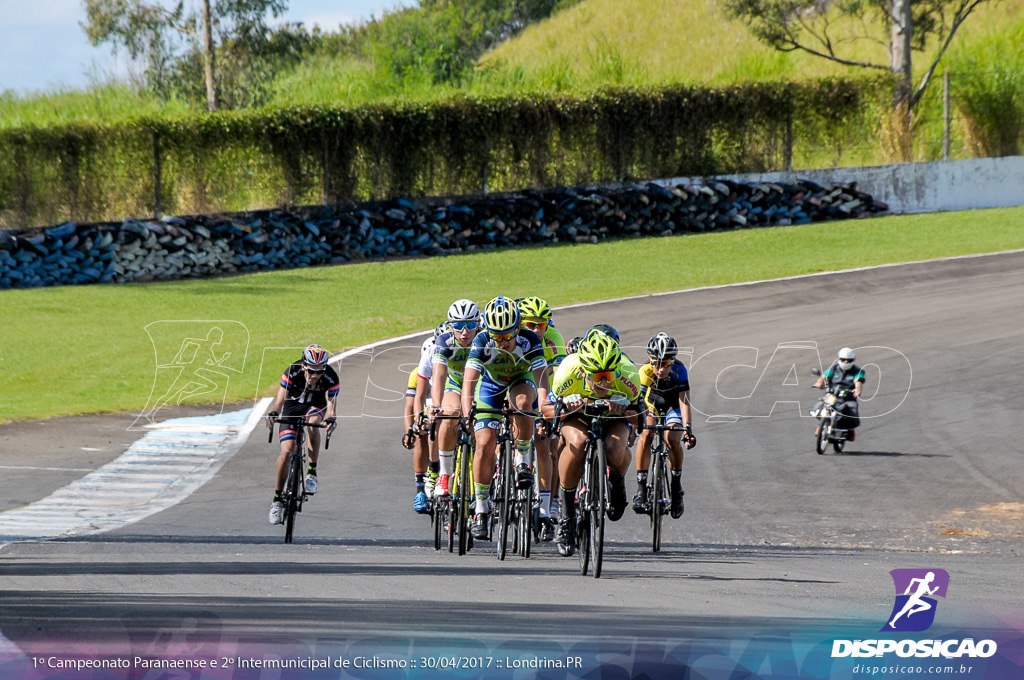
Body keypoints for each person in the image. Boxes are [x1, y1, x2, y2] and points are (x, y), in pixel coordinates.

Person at [542, 332, 640, 557]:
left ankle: (617, 480)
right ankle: (567, 514)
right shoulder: (568, 371)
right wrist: (568, 408)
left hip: (614, 417)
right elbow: (546, 412)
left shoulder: (628, 374)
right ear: (583, 371)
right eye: (596, 377)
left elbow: (639, 417)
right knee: (577, 441)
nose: (604, 383)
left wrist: (624, 410)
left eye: (608, 376)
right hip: (578, 416)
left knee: (614, 447)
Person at [461, 295, 549, 541]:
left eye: (508, 336)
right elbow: (469, 381)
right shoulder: (481, 340)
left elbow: (542, 377)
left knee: (523, 404)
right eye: (497, 337)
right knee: (485, 443)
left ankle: (522, 459)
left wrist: (543, 406)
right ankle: (481, 509)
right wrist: (467, 411)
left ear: (518, 328)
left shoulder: (529, 339)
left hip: (521, 382)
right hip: (491, 387)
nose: (503, 342)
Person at [266, 344, 339, 525]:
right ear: (304, 366)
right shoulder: (292, 371)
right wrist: (274, 412)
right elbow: (280, 399)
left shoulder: (331, 376)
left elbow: (331, 404)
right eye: (311, 371)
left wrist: (331, 418)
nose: (315, 376)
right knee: (287, 451)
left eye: (319, 372)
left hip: (314, 406)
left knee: (314, 423)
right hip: (292, 409)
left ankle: (312, 473)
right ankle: (277, 499)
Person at [518, 296, 567, 541]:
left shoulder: (554, 338)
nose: (536, 330)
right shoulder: (512, 337)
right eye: (530, 325)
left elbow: (560, 375)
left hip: (543, 387)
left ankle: (547, 508)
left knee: (545, 444)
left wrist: (556, 403)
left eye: (541, 324)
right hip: (516, 384)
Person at [633, 332, 696, 519]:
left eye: (666, 364)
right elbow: (639, 403)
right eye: (656, 363)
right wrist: (639, 424)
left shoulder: (680, 370)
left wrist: (688, 429)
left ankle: (676, 487)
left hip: (673, 406)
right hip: (651, 404)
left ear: (673, 361)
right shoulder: (644, 371)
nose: (660, 369)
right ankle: (641, 488)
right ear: (649, 360)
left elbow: (684, 402)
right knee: (646, 435)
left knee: (672, 438)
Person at [428, 299, 482, 501]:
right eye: (458, 326)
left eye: (470, 325)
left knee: (484, 425)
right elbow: (439, 376)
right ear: (451, 326)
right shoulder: (444, 341)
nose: (465, 332)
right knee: (449, 414)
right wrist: (435, 405)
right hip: (455, 385)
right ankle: (443, 475)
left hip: (480, 385)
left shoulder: (485, 340)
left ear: (479, 324)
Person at [405, 322, 447, 513]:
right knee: (423, 431)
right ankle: (421, 487)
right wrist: (411, 428)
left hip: (451, 403)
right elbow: (411, 405)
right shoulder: (420, 369)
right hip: (431, 407)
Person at [812, 347, 865, 441]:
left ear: (853, 360)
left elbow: (858, 380)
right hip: (832, 395)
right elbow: (824, 376)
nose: (845, 362)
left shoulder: (857, 371)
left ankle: (850, 429)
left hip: (847, 398)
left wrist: (857, 389)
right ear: (839, 359)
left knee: (853, 416)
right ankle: (821, 425)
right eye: (843, 360)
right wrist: (819, 382)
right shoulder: (834, 368)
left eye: (848, 360)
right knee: (818, 408)